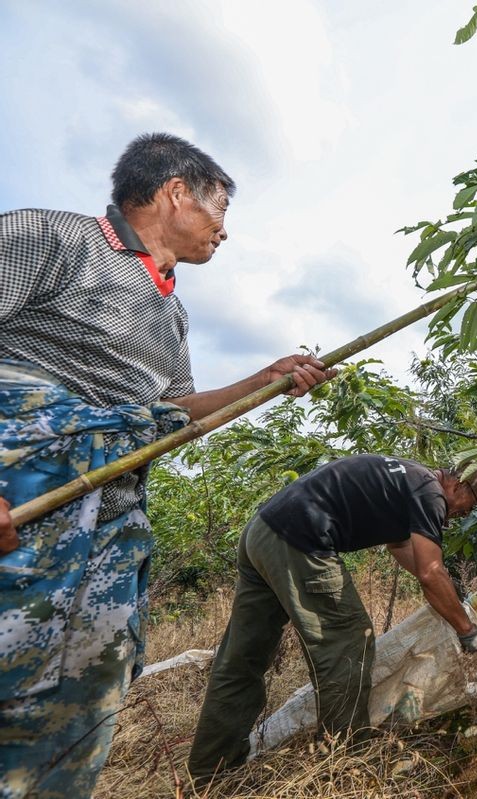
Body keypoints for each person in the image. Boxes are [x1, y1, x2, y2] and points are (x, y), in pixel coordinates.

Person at [0, 133, 335, 799]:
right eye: (220, 209)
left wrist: (262, 382)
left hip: (107, 520)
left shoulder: (171, 314)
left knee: (80, 692)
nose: (224, 231)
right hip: (25, 489)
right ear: (176, 192)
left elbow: (173, 416)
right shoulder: (51, 237)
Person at [187, 455, 477, 783]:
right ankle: (346, 765)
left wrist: (448, 592)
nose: (463, 514)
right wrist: (467, 631)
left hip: (262, 531)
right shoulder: (430, 492)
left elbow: (402, 547)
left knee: (243, 657)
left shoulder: (409, 476)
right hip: (300, 538)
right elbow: (431, 572)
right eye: (470, 505)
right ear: (459, 485)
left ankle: (210, 773)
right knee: (348, 642)